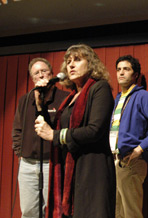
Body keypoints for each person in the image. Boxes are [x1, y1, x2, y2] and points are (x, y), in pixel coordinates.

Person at [34, 44, 116, 218]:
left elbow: (94, 130)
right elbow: (56, 128)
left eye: (77, 60)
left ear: (91, 64)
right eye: (68, 61)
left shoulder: (100, 88)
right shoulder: (71, 96)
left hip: (92, 168)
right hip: (69, 166)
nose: (70, 65)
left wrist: (55, 136)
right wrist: (40, 104)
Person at [110, 55, 148, 218]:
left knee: (131, 213)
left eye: (126, 69)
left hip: (131, 161)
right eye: (118, 69)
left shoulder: (144, 96)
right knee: (118, 212)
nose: (121, 73)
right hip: (116, 162)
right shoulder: (118, 99)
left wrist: (140, 148)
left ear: (136, 75)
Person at [12, 58, 69, 218]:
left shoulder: (64, 97)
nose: (41, 75)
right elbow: (17, 129)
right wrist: (20, 152)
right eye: (36, 73)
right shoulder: (25, 99)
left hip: (51, 163)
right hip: (28, 164)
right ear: (32, 79)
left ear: (52, 74)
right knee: (29, 211)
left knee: (51, 211)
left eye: (44, 71)